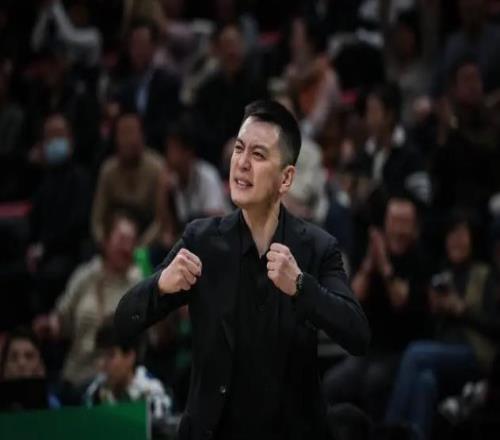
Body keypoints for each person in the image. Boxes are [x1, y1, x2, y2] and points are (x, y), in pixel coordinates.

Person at [114, 100, 370, 439]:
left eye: (258, 154)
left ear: (286, 178)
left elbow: (357, 336)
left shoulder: (317, 248)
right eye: (239, 149)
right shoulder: (201, 240)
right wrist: (160, 284)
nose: (242, 163)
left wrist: (301, 287)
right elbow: (124, 321)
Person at [385, 210, 499, 439]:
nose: (455, 241)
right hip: (445, 355)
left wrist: (462, 310)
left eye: (461, 235)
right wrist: (435, 309)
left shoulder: (485, 274)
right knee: (425, 381)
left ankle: (388, 432)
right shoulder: (442, 275)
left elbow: (495, 325)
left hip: (477, 354)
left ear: (472, 238)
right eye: (451, 235)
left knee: (415, 353)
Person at [323, 196, 430, 421]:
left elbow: (400, 300)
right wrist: (370, 264)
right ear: (385, 223)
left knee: (375, 382)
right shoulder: (372, 251)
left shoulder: (420, 257)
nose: (398, 229)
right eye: (394, 221)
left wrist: (384, 266)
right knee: (332, 383)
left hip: (403, 351)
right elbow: (354, 297)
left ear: (414, 228)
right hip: (370, 350)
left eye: (404, 222)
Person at [33, 212, 141, 402]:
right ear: (106, 240)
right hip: (74, 376)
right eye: (122, 239)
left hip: (111, 381)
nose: (126, 247)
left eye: (131, 241)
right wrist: (50, 325)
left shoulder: (137, 281)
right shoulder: (85, 275)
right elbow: (61, 319)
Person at [85, 316, 172, 437]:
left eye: (110, 355)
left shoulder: (154, 395)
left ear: (130, 356)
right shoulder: (94, 393)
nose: (102, 364)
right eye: (100, 355)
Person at [91, 112, 164, 246]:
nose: (128, 139)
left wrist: (139, 246)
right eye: (123, 133)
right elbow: (97, 219)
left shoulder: (157, 168)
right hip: (112, 240)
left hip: (145, 240)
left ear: (143, 136)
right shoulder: (108, 170)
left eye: (132, 132)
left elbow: (160, 221)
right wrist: (105, 243)